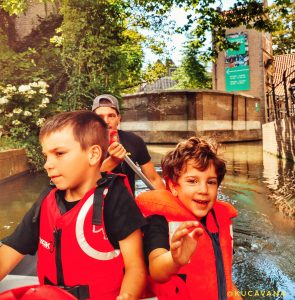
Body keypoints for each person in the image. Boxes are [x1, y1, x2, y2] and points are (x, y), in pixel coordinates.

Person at [0, 111, 147, 300]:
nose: (47, 164)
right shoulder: (47, 200)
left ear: (93, 154)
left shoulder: (115, 199)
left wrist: (126, 296)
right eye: (46, 155)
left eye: (59, 153)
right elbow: (9, 253)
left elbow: (135, 267)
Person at [136, 136, 242, 300]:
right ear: (173, 186)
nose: (203, 190)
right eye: (192, 181)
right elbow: (157, 270)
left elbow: (225, 275)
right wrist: (174, 259)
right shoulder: (159, 221)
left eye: (211, 182)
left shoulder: (220, 220)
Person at [92, 94, 165, 194]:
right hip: (96, 205)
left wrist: (169, 202)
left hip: (127, 204)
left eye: (111, 116)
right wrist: (112, 161)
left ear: (119, 119)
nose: (106, 121)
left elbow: (153, 179)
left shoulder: (134, 141)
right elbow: (84, 182)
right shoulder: (83, 144)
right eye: (100, 117)